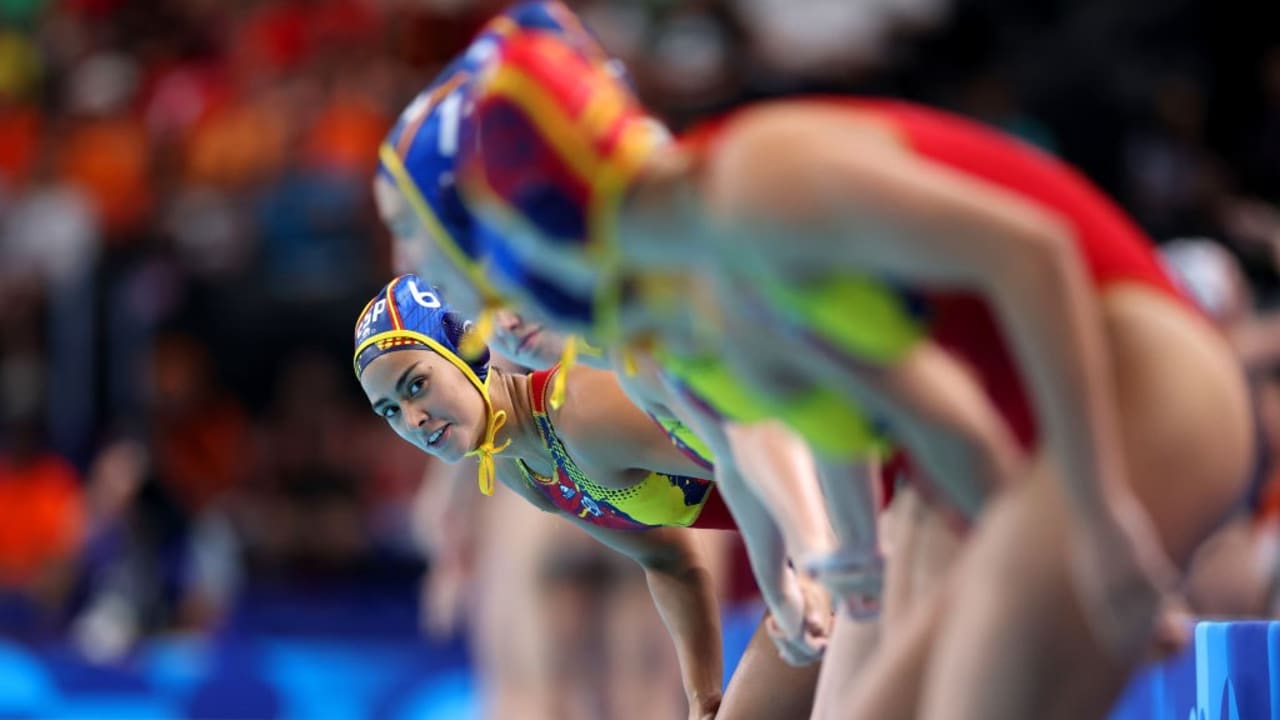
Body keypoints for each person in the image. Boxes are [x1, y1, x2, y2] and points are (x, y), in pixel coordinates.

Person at [454, 29, 1254, 719]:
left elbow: (1032, 255)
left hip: (1137, 382)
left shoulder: (748, 187)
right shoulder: (692, 285)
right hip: (971, 459)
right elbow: (901, 407)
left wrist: (1096, 516)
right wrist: (859, 564)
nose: (496, 316)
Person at [355, 273, 832, 719]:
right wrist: (701, 696)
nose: (413, 419)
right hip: (830, 536)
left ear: (467, 350)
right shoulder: (517, 466)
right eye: (390, 411)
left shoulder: (585, 413)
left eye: (417, 386)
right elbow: (669, 559)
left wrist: (813, 561)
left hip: (853, 501)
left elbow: (754, 439)